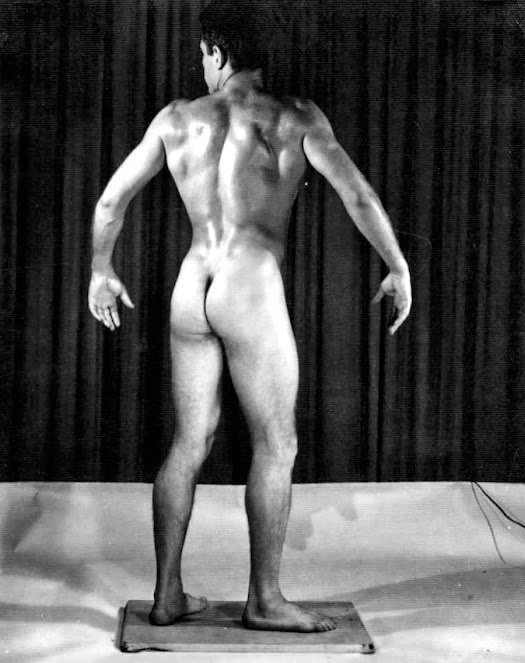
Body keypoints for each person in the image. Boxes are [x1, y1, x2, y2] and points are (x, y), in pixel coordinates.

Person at [88, 0, 412, 634]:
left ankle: (167, 595)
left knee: (189, 442)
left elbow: (109, 203)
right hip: (248, 285)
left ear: (218, 51)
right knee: (276, 444)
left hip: (193, 283)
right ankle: (264, 599)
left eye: (202, 55)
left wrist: (102, 270)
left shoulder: (176, 119)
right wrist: (397, 265)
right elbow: (358, 194)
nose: (200, 66)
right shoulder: (295, 118)